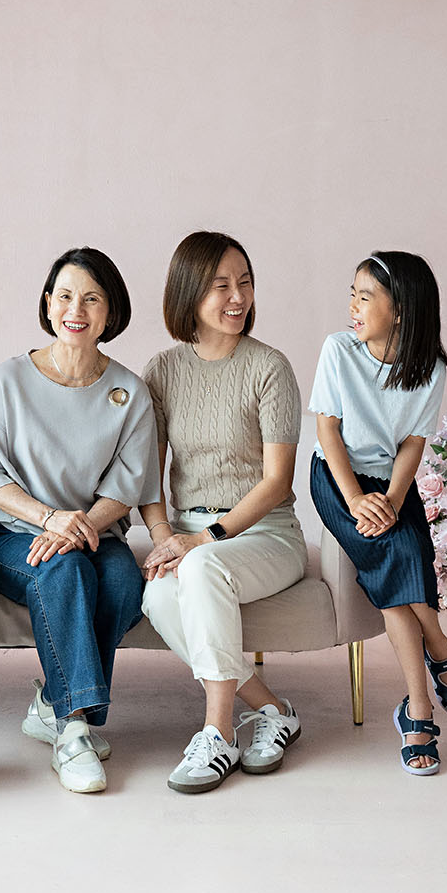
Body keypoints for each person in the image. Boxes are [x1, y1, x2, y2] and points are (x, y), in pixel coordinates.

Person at [0, 247, 159, 795]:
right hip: (10, 532)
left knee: (124, 582)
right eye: (66, 296)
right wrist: (51, 519)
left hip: (93, 530)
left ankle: (53, 704)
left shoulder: (130, 391)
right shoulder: (8, 380)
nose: (77, 309)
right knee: (67, 571)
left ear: (110, 312)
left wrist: (81, 526)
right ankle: (73, 730)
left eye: (92, 298)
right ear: (48, 304)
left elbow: (127, 485)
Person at [139, 231, 308, 794]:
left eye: (245, 282)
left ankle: (217, 733)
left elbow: (276, 480)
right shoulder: (162, 370)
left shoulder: (270, 367)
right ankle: (272, 710)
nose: (238, 297)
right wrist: (167, 535)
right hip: (189, 531)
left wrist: (205, 538)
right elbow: (148, 472)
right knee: (157, 592)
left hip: (266, 534)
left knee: (200, 568)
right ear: (189, 294)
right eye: (220, 285)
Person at [309, 251, 447, 777]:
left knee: (400, 563)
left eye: (365, 296)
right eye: (352, 293)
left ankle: (417, 708)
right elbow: (327, 432)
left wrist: (395, 502)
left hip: (392, 485)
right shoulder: (338, 350)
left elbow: (411, 444)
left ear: (400, 310)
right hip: (337, 480)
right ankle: (440, 654)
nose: (352, 306)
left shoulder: (427, 368)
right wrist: (358, 499)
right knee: (402, 558)